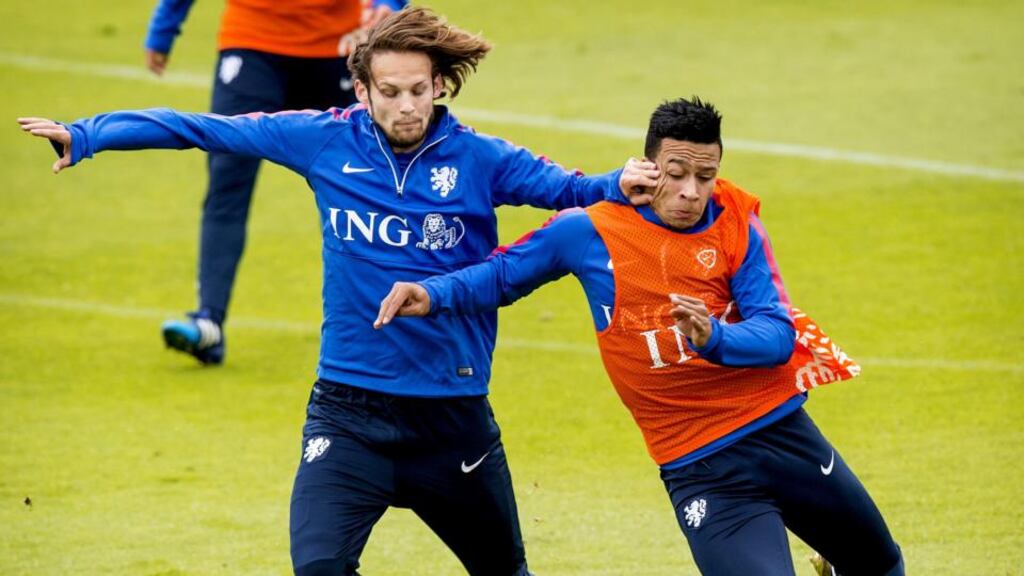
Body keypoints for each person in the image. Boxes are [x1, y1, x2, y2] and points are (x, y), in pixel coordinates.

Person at [18, 8, 652, 575]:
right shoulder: (323, 139)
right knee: (319, 566)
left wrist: (618, 181)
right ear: (363, 90)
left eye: (418, 90)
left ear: (439, 85)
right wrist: (90, 136)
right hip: (348, 414)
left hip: (451, 415)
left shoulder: (481, 159)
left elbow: (571, 190)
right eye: (390, 92)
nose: (406, 106)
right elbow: (206, 129)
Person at [375, 97, 905, 575]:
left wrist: (714, 338)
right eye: (677, 174)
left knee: (879, 565)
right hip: (698, 464)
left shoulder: (735, 220)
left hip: (782, 432)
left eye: (706, 176)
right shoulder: (589, 231)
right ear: (650, 166)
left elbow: (777, 335)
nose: (691, 191)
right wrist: (431, 294)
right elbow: (502, 275)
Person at [145, 0, 405, 365]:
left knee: (362, 186)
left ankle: (385, 320)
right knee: (227, 179)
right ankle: (209, 322)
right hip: (252, 42)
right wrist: (164, 27)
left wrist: (388, 4)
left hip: (338, 48)